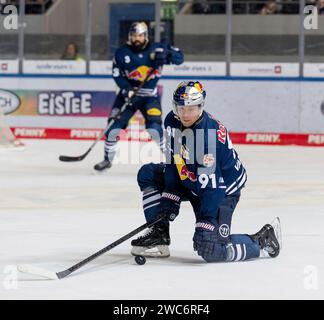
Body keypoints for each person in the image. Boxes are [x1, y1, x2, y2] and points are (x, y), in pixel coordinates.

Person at [131, 81, 281, 262]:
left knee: (209, 249)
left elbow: (213, 187)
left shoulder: (207, 138)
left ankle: (262, 242)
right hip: (195, 178)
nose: (185, 114)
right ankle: (159, 234)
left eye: (191, 109)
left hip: (222, 190)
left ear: (201, 107)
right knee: (149, 174)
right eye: (181, 108)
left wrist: (207, 221)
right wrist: (170, 197)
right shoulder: (172, 120)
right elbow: (174, 161)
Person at [94, 21, 184, 171]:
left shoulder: (157, 49)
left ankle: (172, 159)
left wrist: (167, 54)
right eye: (134, 35)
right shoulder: (122, 53)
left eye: (140, 35)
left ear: (145, 36)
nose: (137, 38)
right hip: (128, 96)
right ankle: (107, 160)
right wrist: (126, 88)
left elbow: (180, 59)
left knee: (155, 128)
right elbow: (117, 74)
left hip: (149, 97)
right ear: (130, 36)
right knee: (112, 127)